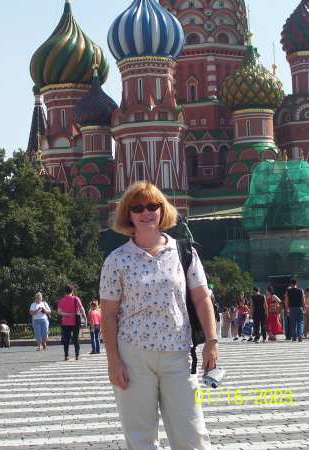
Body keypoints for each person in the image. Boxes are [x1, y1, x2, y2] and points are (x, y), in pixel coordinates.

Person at [100, 181, 217, 450]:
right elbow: (108, 315)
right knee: (140, 436)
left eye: (153, 206)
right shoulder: (116, 260)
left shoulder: (184, 252)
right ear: (128, 215)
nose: (146, 212)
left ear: (162, 211)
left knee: (192, 432)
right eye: (137, 207)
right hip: (133, 356)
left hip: (178, 353)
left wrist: (212, 340)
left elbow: (201, 298)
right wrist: (113, 360)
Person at [57, 284, 87, 360]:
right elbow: (81, 309)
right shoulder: (76, 299)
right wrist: (85, 317)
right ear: (72, 291)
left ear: (65, 291)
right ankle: (77, 355)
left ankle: (66, 355)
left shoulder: (62, 300)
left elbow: (59, 312)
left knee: (66, 339)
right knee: (76, 338)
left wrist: (67, 314)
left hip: (65, 322)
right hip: (75, 321)